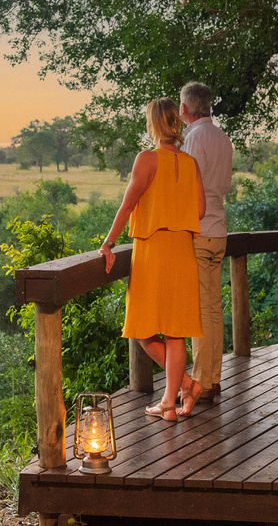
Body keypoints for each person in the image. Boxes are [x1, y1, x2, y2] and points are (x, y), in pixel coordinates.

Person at [100, 98, 205, 421]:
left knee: (144, 330)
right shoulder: (190, 163)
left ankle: (176, 396)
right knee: (175, 331)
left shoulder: (146, 159)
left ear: (153, 125)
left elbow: (128, 203)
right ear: (176, 124)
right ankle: (174, 398)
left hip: (153, 250)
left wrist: (109, 242)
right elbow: (200, 210)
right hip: (182, 251)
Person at [180, 81, 235, 409]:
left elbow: (186, 187)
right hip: (219, 231)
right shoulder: (222, 139)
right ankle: (211, 379)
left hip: (199, 232)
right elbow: (224, 186)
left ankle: (201, 382)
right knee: (213, 310)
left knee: (201, 313)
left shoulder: (193, 139)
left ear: (185, 109)